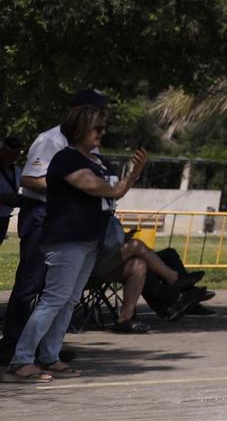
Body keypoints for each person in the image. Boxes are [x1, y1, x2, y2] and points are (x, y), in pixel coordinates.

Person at [6, 104, 145, 382]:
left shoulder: (96, 160)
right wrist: (130, 178)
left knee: (68, 301)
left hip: (90, 239)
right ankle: (21, 360)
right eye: (97, 128)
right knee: (54, 299)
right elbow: (101, 188)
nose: (102, 133)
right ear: (80, 128)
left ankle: (50, 356)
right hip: (67, 239)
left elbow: (112, 192)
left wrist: (126, 180)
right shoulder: (66, 159)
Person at [0, 89, 109, 366]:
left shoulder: (91, 147)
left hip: (75, 222)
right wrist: (68, 185)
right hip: (43, 216)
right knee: (31, 285)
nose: (102, 122)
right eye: (97, 113)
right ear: (79, 112)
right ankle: (13, 347)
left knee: (64, 292)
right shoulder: (50, 140)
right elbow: (29, 179)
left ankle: (46, 350)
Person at [0, 137, 22, 245]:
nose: (14, 156)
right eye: (12, 152)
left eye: (17, 153)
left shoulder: (17, 171)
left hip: (4, 217)